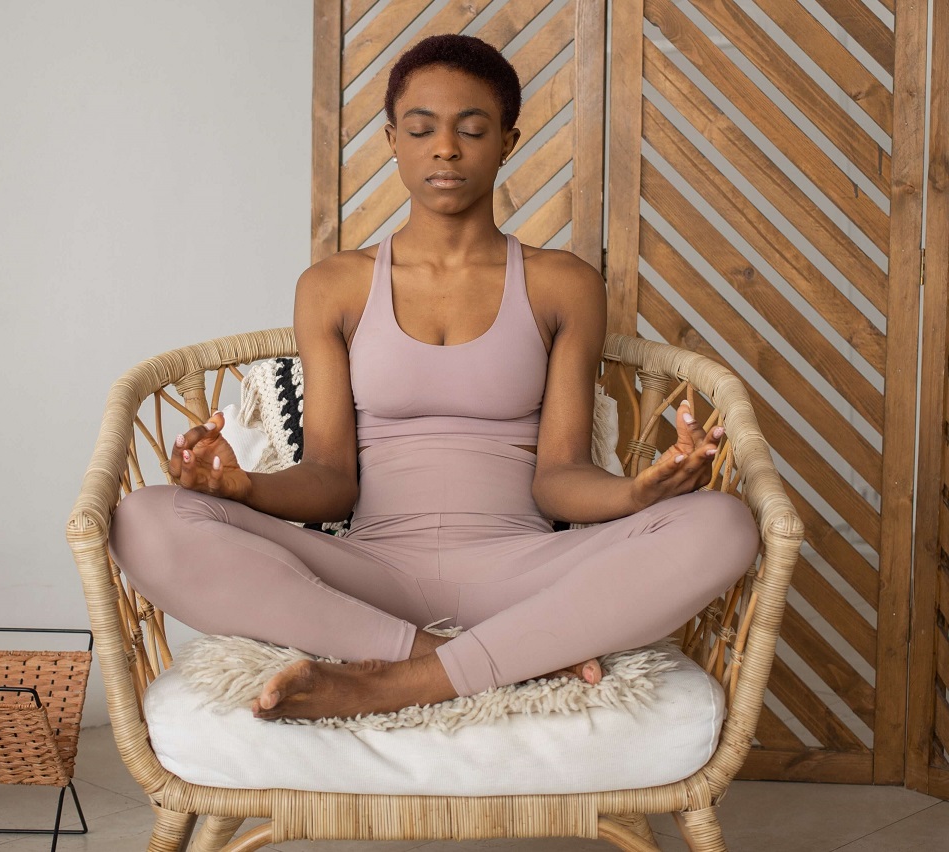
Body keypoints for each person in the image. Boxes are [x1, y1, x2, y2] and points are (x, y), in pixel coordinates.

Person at [109, 34, 759, 722]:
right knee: (144, 519)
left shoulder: (562, 283)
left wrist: (639, 491)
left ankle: (392, 683)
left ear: (508, 141)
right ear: (393, 140)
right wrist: (242, 486)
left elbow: (559, 476)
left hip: (524, 574)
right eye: (421, 129)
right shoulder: (334, 285)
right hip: (370, 578)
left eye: (472, 129)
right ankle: (475, 656)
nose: (445, 148)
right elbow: (331, 478)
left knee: (722, 523)